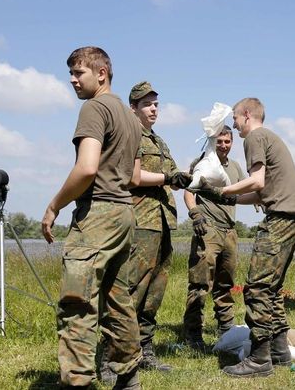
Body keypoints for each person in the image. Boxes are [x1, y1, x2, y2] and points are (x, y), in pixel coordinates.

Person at [41, 46, 143, 388]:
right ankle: (129, 379)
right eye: (70, 73)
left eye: (78, 72)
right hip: (125, 212)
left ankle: (78, 382)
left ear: (102, 73)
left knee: (78, 303)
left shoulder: (94, 107)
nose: (72, 80)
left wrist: (55, 205)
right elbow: (132, 176)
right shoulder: (131, 118)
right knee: (119, 301)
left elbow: (86, 168)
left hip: (98, 213)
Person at [208, 98, 295, 377]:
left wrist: (223, 190)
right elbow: (260, 192)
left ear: (247, 115)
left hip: (281, 218)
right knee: (272, 287)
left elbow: (257, 181)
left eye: (236, 118)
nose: (235, 124)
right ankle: (279, 350)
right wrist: (223, 196)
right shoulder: (269, 137)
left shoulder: (254, 137)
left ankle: (260, 358)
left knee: (258, 288)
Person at [124, 81, 191, 372]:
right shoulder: (129, 136)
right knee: (131, 290)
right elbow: (132, 176)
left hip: (163, 222)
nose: (153, 109)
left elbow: (171, 172)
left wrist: (186, 176)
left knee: (154, 292)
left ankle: (144, 352)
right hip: (141, 222)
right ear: (133, 108)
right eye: (147, 104)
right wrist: (167, 178)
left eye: (156, 104)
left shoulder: (159, 141)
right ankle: (112, 356)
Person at [182, 125, 245, 350]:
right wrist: (195, 213)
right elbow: (189, 192)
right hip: (207, 229)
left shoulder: (236, 167)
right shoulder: (203, 163)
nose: (223, 145)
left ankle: (226, 329)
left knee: (226, 283)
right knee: (200, 284)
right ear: (212, 142)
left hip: (229, 231)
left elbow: (245, 191)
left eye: (227, 141)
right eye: (219, 141)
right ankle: (193, 333)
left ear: (232, 143)